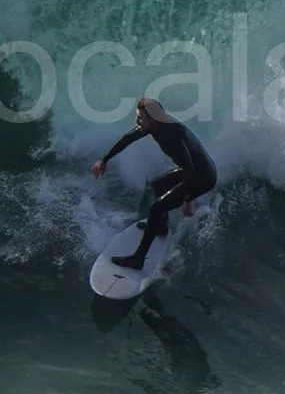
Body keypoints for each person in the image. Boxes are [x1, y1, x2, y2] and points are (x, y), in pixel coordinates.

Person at [91, 97, 218, 270]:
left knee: (156, 208)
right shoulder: (154, 125)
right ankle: (160, 227)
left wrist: (187, 199)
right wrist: (104, 159)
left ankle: (138, 259)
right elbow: (128, 138)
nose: (137, 121)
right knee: (157, 185)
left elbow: (189, 167)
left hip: (202, 177)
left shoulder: (172, 134)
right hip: (194, 171)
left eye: (141, 118)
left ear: (153, 120)